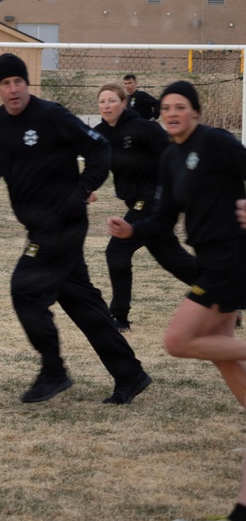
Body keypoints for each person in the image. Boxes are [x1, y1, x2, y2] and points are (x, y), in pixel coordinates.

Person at [0, 53, 151, 404]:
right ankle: (130, 374)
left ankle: (54, 371)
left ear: (27, 84)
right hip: (38, 226)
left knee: (25, 290)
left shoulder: (52, 116)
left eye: (18, 82)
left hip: (62, 223)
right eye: (5, 84)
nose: (13, 89)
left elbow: (99, 150)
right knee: (80, 300)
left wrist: (79, 194)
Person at [107, 81, 246, 521]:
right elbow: (164, 217)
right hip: (210, 260)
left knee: (178, 341)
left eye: (180, 107)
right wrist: (134, 231)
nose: (172, 113)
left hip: (233, 258)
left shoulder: (218, 143)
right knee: (223, 356)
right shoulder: (169, 156)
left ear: (196, 113)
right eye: (166, 107)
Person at [93, 83, 196, 331]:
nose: (106, 105)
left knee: (117, 251)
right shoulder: (100, 134)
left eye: (111, 100)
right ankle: (224, 295)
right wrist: (87, 189)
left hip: (153, 200)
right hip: (138, 202)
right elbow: (95, 165)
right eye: (102, 101)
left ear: (123, 103)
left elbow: (173, 154)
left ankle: (118, 317)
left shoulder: (143, 128)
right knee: (171, 258)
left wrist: (174, 190)